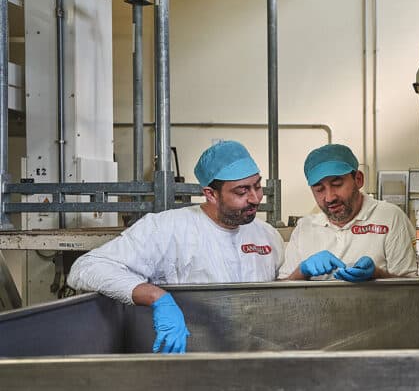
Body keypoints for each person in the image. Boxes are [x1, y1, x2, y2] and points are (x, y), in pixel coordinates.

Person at [68, 140, 284, 353]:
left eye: (257, 186)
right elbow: (86, 268)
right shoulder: (166, 228)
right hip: (188, 360)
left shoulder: (267, 235)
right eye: (241, 191)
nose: (255, 198)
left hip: (253, 361)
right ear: (211, 194)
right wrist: (157, 297)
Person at [280, 144, 416, 282]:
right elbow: (281, 292)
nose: (329, 197)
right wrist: (302, 272)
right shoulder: (304, 228)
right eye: (319, 189)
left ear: (358, 179)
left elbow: (413, 288)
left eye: (337, 184)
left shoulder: (390, 217)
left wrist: (377, 274)